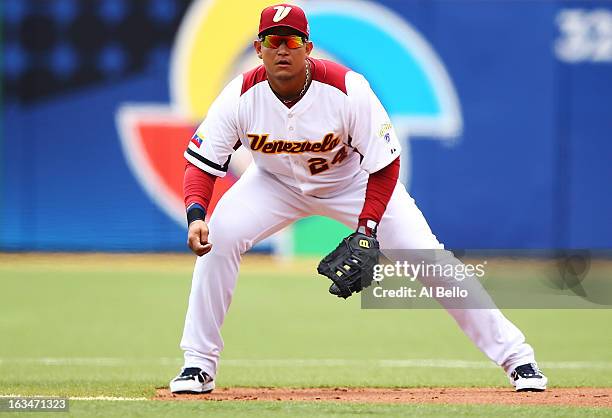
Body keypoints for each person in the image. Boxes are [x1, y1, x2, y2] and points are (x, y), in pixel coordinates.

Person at [169, 3, 547, 394]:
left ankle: (517, 358)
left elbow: (385, 163)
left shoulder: (347, 89)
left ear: (308, 47)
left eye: (292, 40)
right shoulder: (240, 95)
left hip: (353, 182)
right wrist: (196, 214)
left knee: (430, 259)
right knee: (218, 239)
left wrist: (367, 229)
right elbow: (202, 163)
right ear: (258, 47)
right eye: (273, 41)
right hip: (273, 183)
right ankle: (198, 364)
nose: (283, 49)